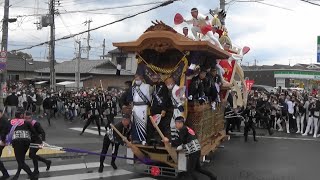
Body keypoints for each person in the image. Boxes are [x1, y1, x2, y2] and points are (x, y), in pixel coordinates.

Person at [7, 111, 41, 180]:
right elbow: (34, 132)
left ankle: (32, 177)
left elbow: (5, 131)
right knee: (21, 160)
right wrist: (39, 142)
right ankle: (17, 176)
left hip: (17, 142)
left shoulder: (10, 122)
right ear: (21, 116)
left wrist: (4, 140)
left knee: (20, 161)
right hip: (26, 142)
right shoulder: (26, 122)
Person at [25, 112, 51, 177]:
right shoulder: (25, 123)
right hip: (32, 140)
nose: (26, 120)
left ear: (31, 118)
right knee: (31, 155)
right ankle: (47, 162)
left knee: (32, 154)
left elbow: (42, 132)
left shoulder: (35, 123)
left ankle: (36, 170)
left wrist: (43, 141)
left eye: (28, 118)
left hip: (37, 140)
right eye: (25, 118)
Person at [149, 74, 171, 145]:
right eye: (153, 79)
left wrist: (164, 109)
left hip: (160, 108)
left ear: (159, 79)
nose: (154, 80)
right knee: (154, 125)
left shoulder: (163, 86)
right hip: (154, 108)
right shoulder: (154, 87)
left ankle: (162, 140)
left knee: (161, 125)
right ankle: (154, 139)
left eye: (155, 79)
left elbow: (165, 98)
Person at [130, 75, 151, 145]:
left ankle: (143, 139)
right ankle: (136, 139)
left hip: (143, 106)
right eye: (135, 79)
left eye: (138, 79)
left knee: (143, 123)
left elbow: (150, 96)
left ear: (142, 79)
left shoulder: (147, 86)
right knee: (135, 123)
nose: (137, 80)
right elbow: (131, 98)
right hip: (135, 106)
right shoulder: (133, 87)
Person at [165, 77, 186, 142]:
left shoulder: (177, 89)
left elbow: (183, 99)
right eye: (166, 84)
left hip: (179, 110)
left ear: (173, 82)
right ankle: (174, 141)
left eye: (169, 83)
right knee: (172, 125)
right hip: (175, 110)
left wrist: (181, 102)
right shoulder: (172, 90)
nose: (168, 85)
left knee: (179, 126)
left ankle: (180, 142)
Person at [0, 110, 9, 180]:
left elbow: (4, 132)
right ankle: (5, 173)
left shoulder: (4, 121)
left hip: (1, 142)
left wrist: (3, 141)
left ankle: (5, 174)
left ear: (1, 113)